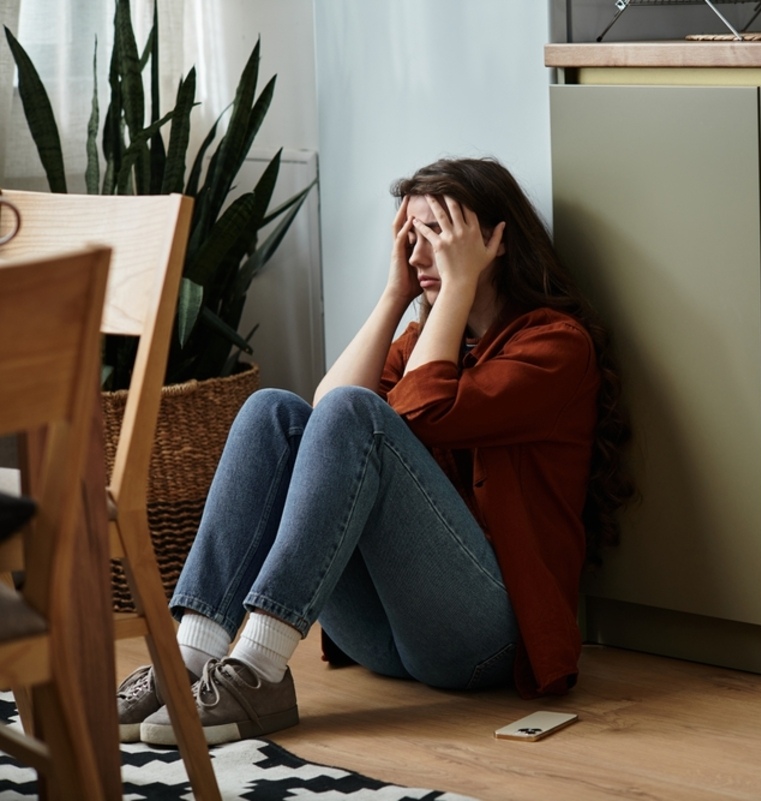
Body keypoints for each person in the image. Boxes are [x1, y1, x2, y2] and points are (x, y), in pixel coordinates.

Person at [116, 157, 633, 746]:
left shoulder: (555, 347)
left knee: (358, 412)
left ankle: (258, 669)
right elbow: (324, 414)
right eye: (408, 240)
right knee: (275, 412)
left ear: (493, 243)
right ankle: (187, 661)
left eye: (434, 238)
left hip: (486, 642)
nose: (416, 257)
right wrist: (395, 295)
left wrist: (457, 284)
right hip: (384, 634)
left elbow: (416, 411)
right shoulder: (427, 342)